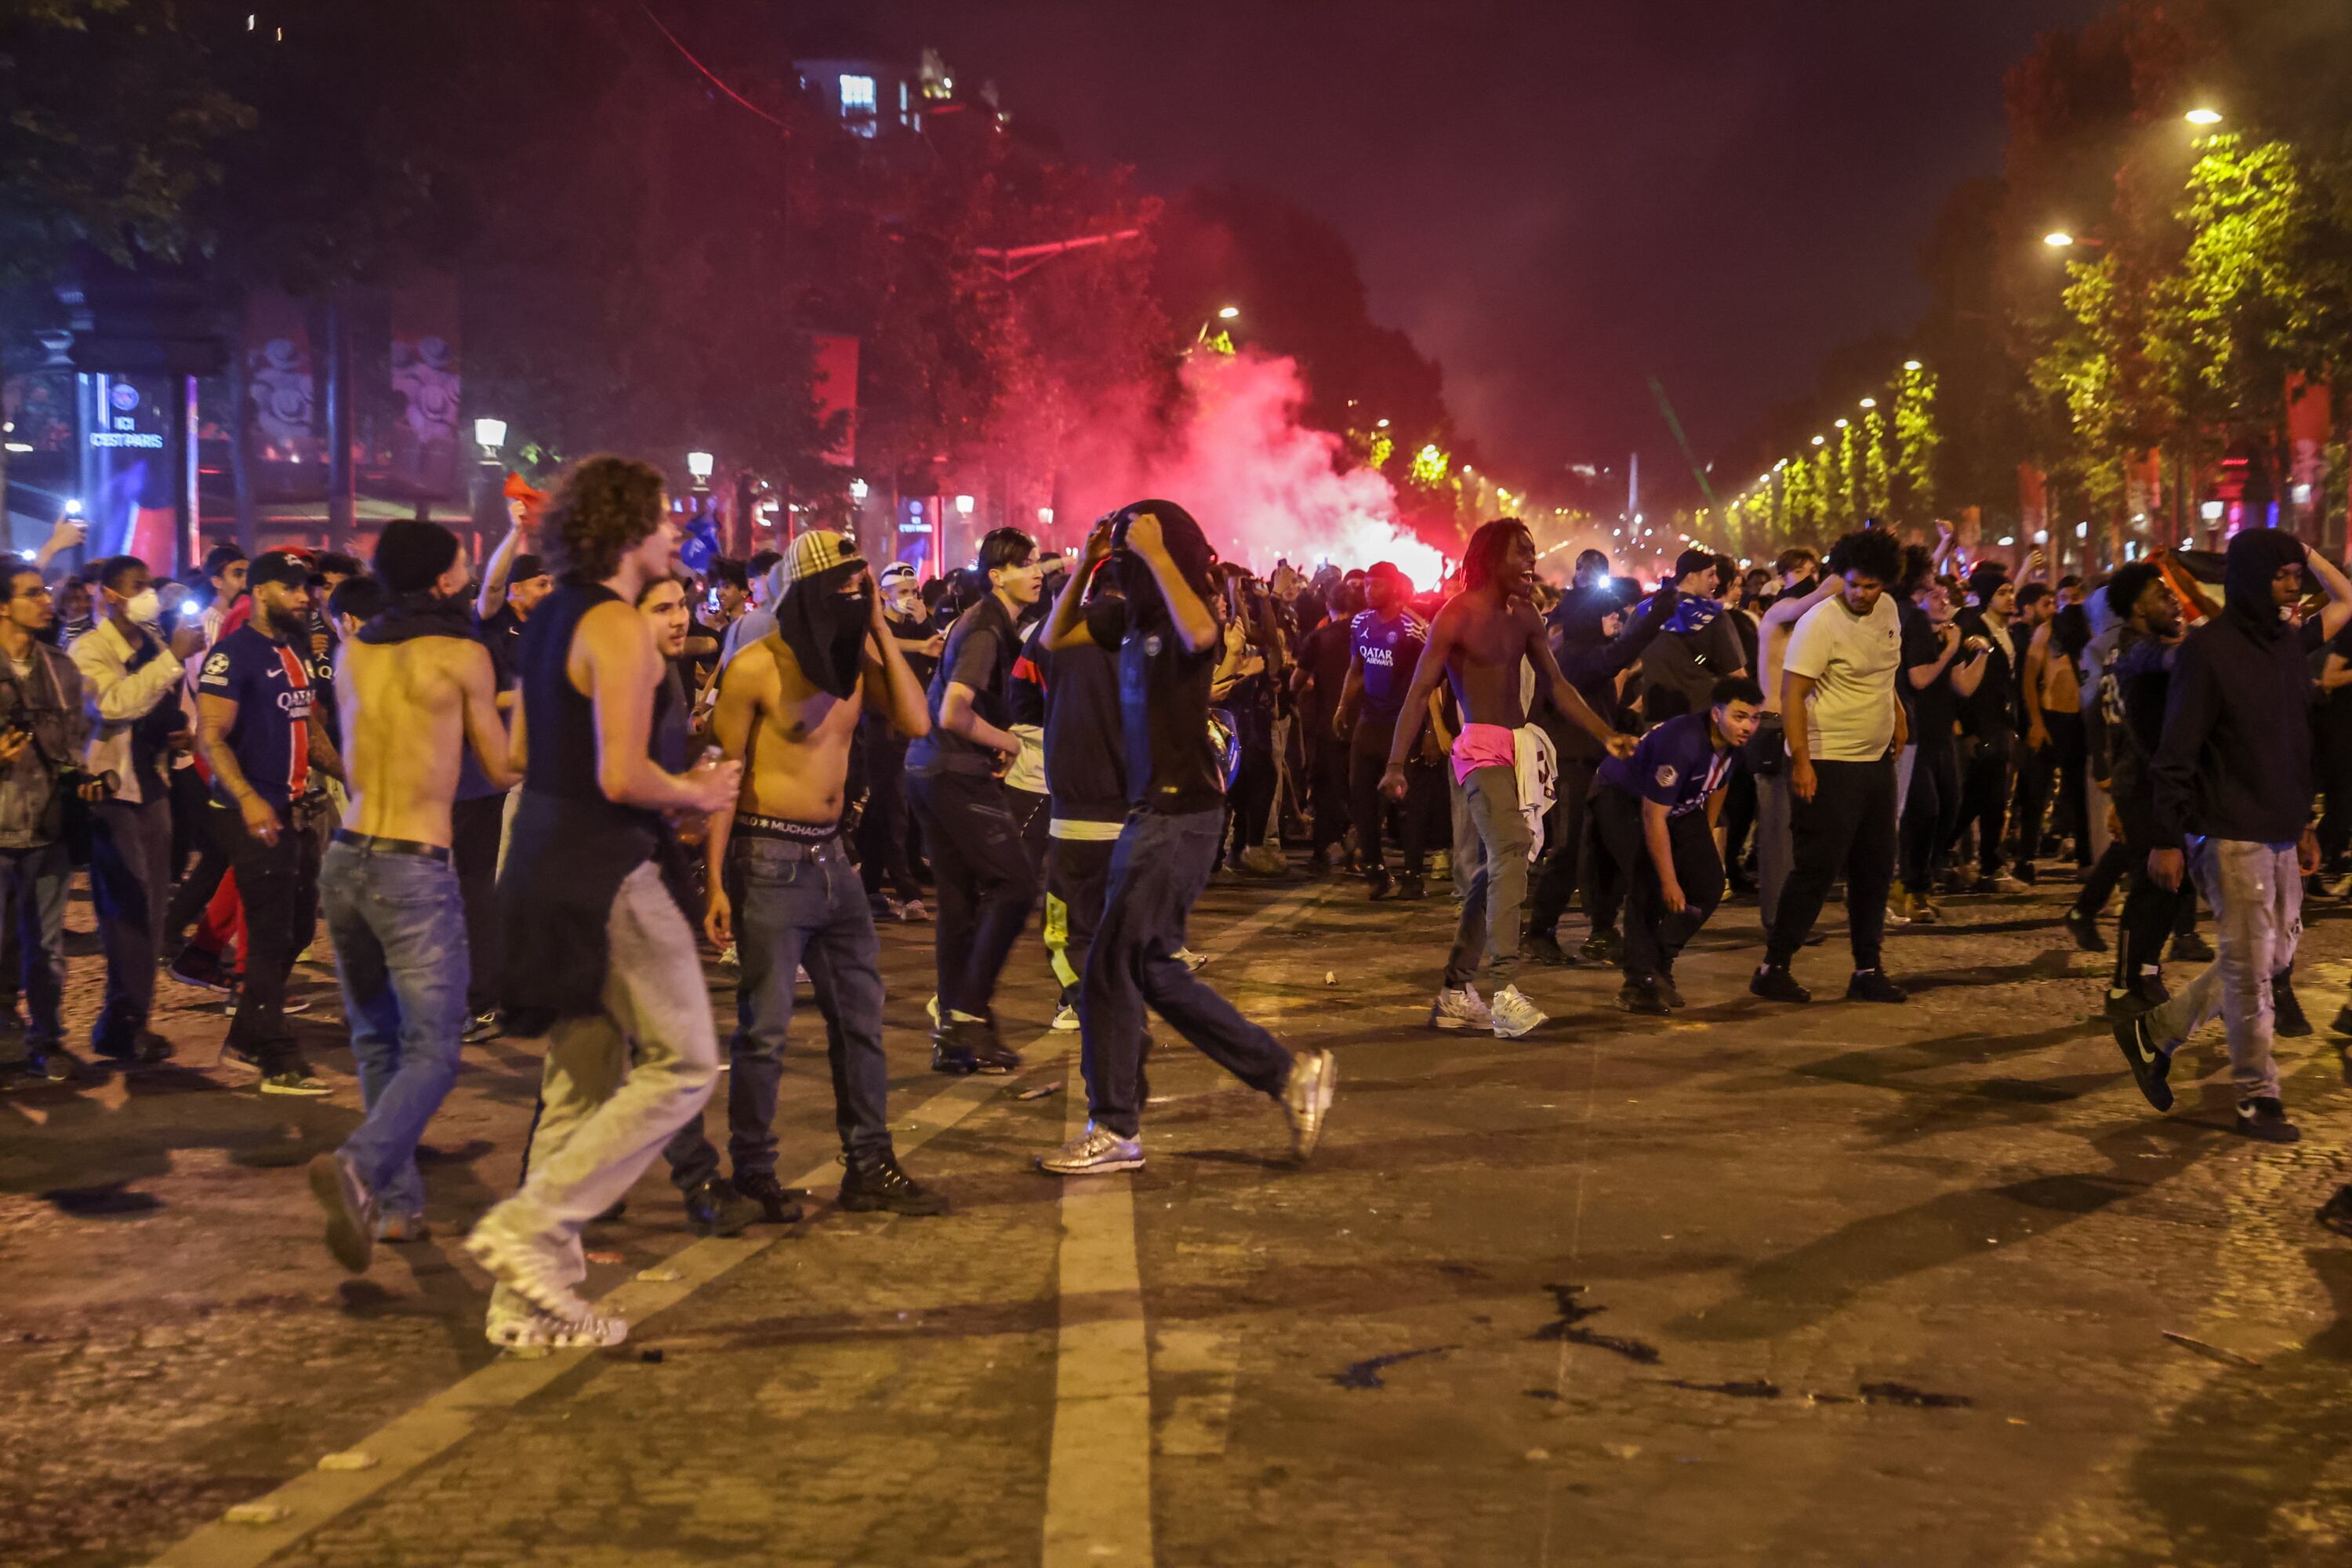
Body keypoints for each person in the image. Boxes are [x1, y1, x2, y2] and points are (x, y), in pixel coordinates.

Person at [466, 455, 741, 1349]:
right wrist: (698, 790)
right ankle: (532, 1226)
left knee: (579, 1085)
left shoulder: (548, 617)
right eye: (663, 519)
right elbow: (622, 775)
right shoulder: (618, 626)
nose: (675, 531)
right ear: (628, 530)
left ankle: (525, 1306)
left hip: (540, 859)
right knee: (686, 1062)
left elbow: (514, 757)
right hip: (604, 868)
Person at [1036, 504, 1335, 1176]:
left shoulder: (1186, 611)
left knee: (1110, 966)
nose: (1125, 559)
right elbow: (1055, 640)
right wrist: (1087, 561)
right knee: (1152, 970)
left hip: (1181, 816)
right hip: (1151, 815)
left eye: (1132, 549)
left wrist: (1156, 551)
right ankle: (1287, 1076)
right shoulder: (1130, 618)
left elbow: (1201, 632)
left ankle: (1114, 1127)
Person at [666, 530, 948, 1225]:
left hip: (835, 862)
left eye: (864, 585)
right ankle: (756, 1171)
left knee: (862, 1021)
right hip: (769, 863)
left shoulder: (853, 662)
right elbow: (723, 781)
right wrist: (717, 884)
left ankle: (870, 1164)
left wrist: (879, 624)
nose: (856, 597)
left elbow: (915, 718)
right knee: (764, 1031)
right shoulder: (756, 667)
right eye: (845, 588)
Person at [305, 521, 517, 1273]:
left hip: (348, 856)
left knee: (376, 1039)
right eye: (461, 561)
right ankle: (361, 1165)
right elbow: (497, 767)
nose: (467, 569)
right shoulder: (464, 654)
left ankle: (395, 1210)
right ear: (441, 579)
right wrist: (539, 710)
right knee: (436, 1044)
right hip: (413, 865)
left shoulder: (352, 651)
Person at [2114, 532, 2352, 1143]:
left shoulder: (2287, 643)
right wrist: (2166, 837)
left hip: (2278, 829)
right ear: (2250, 579)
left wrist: (2303, 825)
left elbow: (2347, 599)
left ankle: (2154, 1032)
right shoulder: (2209, 651)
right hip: (2228, 834)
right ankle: (2257, 1098)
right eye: (2281, 574)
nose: (2294, 584)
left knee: (2269, 958)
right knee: (2249, 972)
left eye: (2297, 574)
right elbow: (2175, 751)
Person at [1379, 519, 1634, 1039]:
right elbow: (1417, 689)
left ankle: (1455, 990)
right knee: (1513, 850)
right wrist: (1394, 764)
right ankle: (1504, 994)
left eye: (1533, 554)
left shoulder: (1526, 615)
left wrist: (1607, 735)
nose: (1531, 563)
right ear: (1492, 556)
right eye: (1521, 554)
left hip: (1518, 751)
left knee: (1495, 868)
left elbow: (1557, 685)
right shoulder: (1457, 613)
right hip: (1477, 749)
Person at [195, 550, 342, 1093]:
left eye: (308, 589)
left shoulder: (295, 651)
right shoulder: (232, 656)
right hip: (252, 815)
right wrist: (249, 799)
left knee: (298, 929)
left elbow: (309, 725)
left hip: (295, 811)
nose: (306, 597)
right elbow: (210, 735)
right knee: (271, 933)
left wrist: (350, 773)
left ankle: (247, 1036)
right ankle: (276, 1057)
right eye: (293, 588)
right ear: (260, 592)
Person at [1752, 528, 1910, 1005]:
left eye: (1872, 585)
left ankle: (1867, 968)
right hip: (1827, 759)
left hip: (1874, 763)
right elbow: (1793, 694)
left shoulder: (1889, 612)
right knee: (1816, 870)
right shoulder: (1818, 621)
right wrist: (1802, 762)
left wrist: (1899, 718)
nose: (1862, 594)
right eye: (1855, 584)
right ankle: (1773, 965)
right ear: (1841, 576)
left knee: (1876, 868)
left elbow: (1886, 674)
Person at [904, 527, 1041, 1075]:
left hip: (929, 768)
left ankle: (955, 1039)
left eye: (1036, 561)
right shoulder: (985, 626)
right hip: (950, 770)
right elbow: (953, 711)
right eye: (1023, 563)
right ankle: (966, 1014)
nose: (1036, 570)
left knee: (959, 904)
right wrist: (1007, 741)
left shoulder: (987, 620)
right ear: (996, 575)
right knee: (1017, 885)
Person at [71, 555, 189, 1066]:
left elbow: (162, 706)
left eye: (150, 586)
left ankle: (132, 1020)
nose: (149, 595)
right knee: (127, 907)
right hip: (110, 790)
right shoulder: (89, 649)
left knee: (153, 907)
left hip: (151, 785)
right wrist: (173, 660)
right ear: (108, 595)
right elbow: (114, 704)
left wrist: (179, 734)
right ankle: (122, 1022)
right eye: (138, 587)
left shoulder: (153, 642)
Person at [1589, 676, 1762, 1014]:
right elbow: (1653, 817)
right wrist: (1670, 880)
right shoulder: (1683, 744)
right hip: (1623, 797)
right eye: (1739, 716)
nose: (1748, 726)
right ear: (1716, 715)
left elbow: (1719, 785)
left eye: (1754, 718)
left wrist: (1703, 839)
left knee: (1710, 884)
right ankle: (1639, 983)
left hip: (1680, 805)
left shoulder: (1735, 745)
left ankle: (1660, 961)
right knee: (1648, 882)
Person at [0, 562, 94, 1080]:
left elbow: (75, 743)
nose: (45, 601)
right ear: (2, 605)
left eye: (44, 593)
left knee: (48, 947)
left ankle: (48, 1037)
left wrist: (82, 778)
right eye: (31, 594)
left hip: (48, 826)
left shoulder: (61, 669)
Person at [1033, 537, 1131, 1033]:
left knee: (1070, 917)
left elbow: (1041, 650)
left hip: (1075, 790)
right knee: (1117, 911)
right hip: (1131, 797)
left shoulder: (1063, 634)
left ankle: (1075, 1000)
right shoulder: (1147, 637)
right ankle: (1111, 999)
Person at [1896, 565, 1989, 923]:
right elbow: (1919, 679)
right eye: (1936, 595)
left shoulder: (1941, 638)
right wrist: (1952, 647)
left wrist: (1983, 654)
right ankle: (1912, 888)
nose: (1944, 600)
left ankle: (1924, 881)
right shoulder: (1916, 633)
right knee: (1925, 809)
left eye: (1946, 597)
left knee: (1951, 807)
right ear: (1920, 600)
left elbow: (1962, 686)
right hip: (1915, 735)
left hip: (1941, 735)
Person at [1338, 562, 1435, 900]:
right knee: (1360, 796)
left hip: (1403, 724)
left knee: (1408, 802)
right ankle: (1376, 871)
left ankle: (1412, 875)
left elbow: (1432, 683)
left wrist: (1432, 728)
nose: (1367, 592)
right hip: (1370, 720)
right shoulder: (1360, 623)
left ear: (1393, 588)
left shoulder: (1415, 628)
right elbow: (1355, 669)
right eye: (1365, 585)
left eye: (1375, 586)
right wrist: (1341, 706)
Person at [857, 561, 939, 920]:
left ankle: (870, 888)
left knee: (882, 811)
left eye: (914, 592)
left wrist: (924, 625)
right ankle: (909, 894)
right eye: (903, 593)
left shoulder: (916, 627)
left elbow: (938, 653)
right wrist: (920, 642)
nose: (910, 599)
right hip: (882, 730)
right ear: (885, 595)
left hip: (913, 730)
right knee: (894, 811)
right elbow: (880, 646)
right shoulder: (878, 630)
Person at [1947, 564, 2025, 893]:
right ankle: (1983, 864)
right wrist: (1967, 728)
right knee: (1981, 798)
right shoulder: (1972, 627)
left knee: (1989, 798)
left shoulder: (2007, 630)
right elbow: (1962, 683)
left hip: (2002, 723)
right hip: (1980, 725)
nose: (2010, 599)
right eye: (2002, 593)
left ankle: (1983, 862)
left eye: (2011, 592)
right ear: (1986, 598)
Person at [1289, 573, 1362, 874]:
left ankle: (1326, 849)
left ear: (1329, 606)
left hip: (1327, 724)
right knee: (1358, 788)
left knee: (1325, 788)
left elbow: (1297, 681)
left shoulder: (1319, 637)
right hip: (1364, 722)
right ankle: (1358, 847)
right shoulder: (1369, 635)